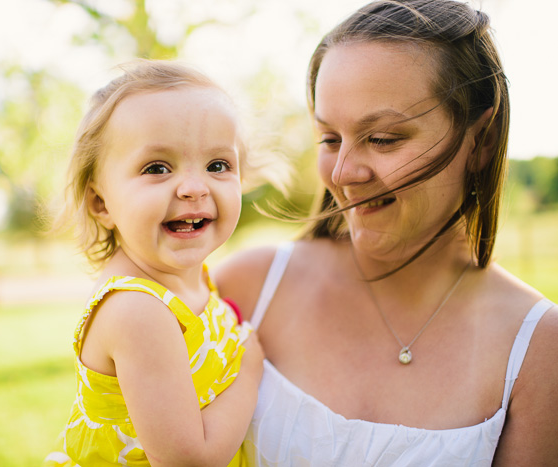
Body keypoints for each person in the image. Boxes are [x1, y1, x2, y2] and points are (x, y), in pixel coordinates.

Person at [215, 0, 558, 465]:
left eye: (383, 139)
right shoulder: (247, 288)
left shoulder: (540, 350)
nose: (344, 172)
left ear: (483, 140)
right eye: (329, 139)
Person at [43, 60, 264, 467]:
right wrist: (248, 368)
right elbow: (191, 460)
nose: (195, 187)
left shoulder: (190, 278)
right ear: (101, 203)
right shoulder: (137, 311)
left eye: (218, 165)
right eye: (157, 168)